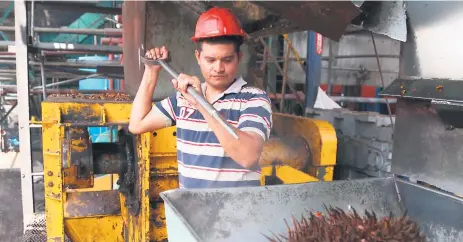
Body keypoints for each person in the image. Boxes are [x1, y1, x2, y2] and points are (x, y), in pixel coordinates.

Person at [128, 7, 272, 189]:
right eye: (211, 60)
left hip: (237, 215)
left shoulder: (254, 100)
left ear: (239, 57)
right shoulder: (183, 99)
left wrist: (201, 103)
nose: (218, 68)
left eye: (227, 60)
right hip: (191, 214)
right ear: (198, 57)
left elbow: (247, 156)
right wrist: (151, 71)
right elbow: (137, 124)